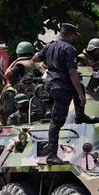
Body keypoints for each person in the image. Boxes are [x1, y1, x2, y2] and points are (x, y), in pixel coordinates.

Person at [32, 23, 86, 165]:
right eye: (74, 35)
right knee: (57, 121)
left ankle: (81, 115)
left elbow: (35, 58)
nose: (75, 38)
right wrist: (81, 94)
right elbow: (73, 73)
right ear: (70, 35)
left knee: (57, 114)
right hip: (62, 86)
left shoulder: (50, 46)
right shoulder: (69, 49)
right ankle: (51, 155)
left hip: (50, 85)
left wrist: (49, 57)